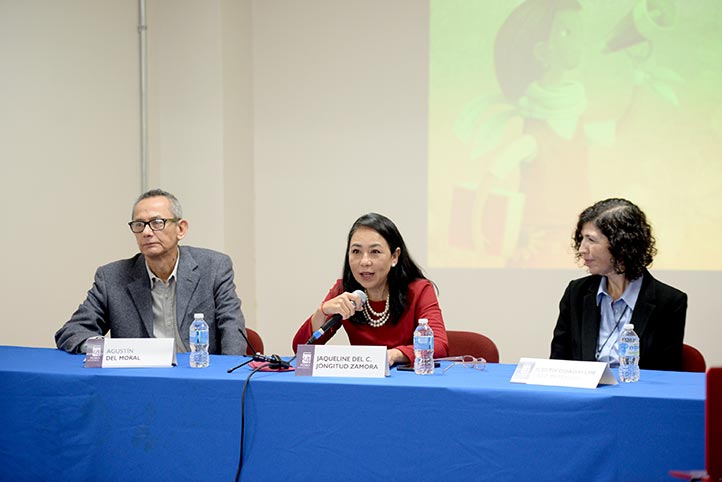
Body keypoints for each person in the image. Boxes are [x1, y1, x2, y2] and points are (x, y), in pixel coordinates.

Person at [55, 189, 247, 355]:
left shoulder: (213, 267)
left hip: (198, 377)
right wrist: (109, 350)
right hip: (140, 382)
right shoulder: (112, 277)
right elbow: (71, 332)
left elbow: (233, 330)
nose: (147, 232)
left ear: (181, 229)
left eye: (157, 222)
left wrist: (227, 380)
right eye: (139, 225)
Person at [292, 213, 448, 366]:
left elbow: (439, 345)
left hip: (406, 384)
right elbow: (301, 351)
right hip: (362, 385)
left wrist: (394, 355)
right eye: (356, 252)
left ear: (394, 256)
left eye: (375, 252)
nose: (364, 261)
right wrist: (322, 311)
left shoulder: (419, 290)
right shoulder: (345, 291)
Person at [550, 198, 687, 370]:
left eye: (591, 240)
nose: (582, 249)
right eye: (582, 239)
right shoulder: (576, 293)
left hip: (636, 394)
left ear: (621, 245)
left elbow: (666, 374)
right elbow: (557, 363)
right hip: (584, 395)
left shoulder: (669, 302)